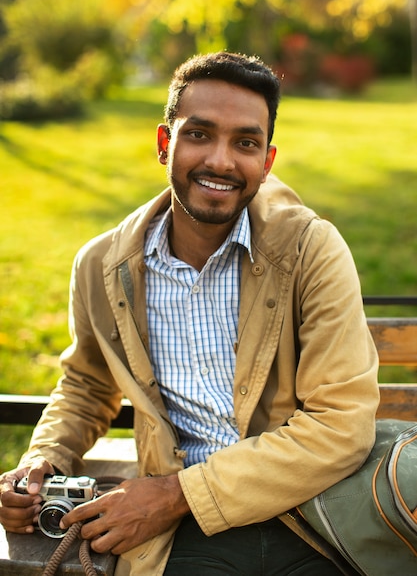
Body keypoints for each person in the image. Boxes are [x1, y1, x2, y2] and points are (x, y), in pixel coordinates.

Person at [0, 52, 379, 575]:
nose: (221, 162)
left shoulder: (311, 251)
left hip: (314, 516)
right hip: (187, 535)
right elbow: (87, 385)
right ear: (164, 144)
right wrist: (42, 462)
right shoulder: (102, 266)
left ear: (266, 162)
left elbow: (341, 424)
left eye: (245, 143)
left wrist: (174, 495)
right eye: (199, 134)